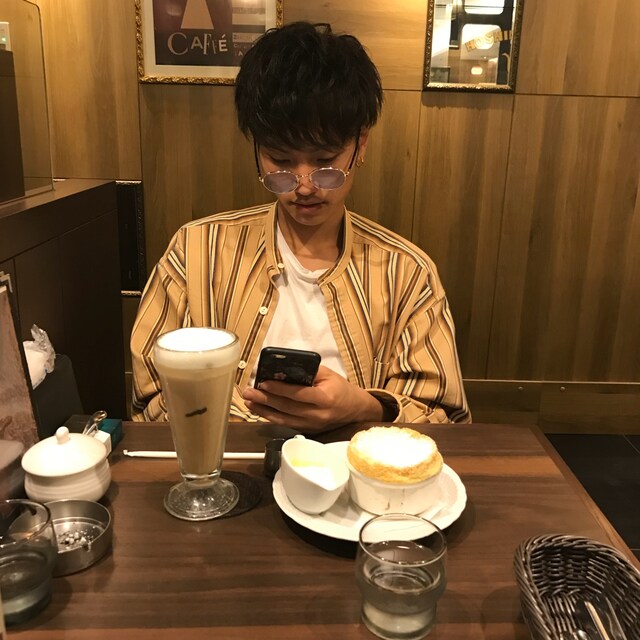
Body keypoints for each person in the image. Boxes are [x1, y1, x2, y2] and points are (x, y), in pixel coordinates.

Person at [130, 21, 471, 431]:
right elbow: (151, 396)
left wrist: (365, 407)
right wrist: (258, 420)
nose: (305, 186)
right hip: (230, 468)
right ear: (257, 149)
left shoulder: (407, 273)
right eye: (281, 161)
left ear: (360, 145)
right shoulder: (197, 250)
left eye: (326, 161)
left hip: (355, 470)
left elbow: (445, 419)